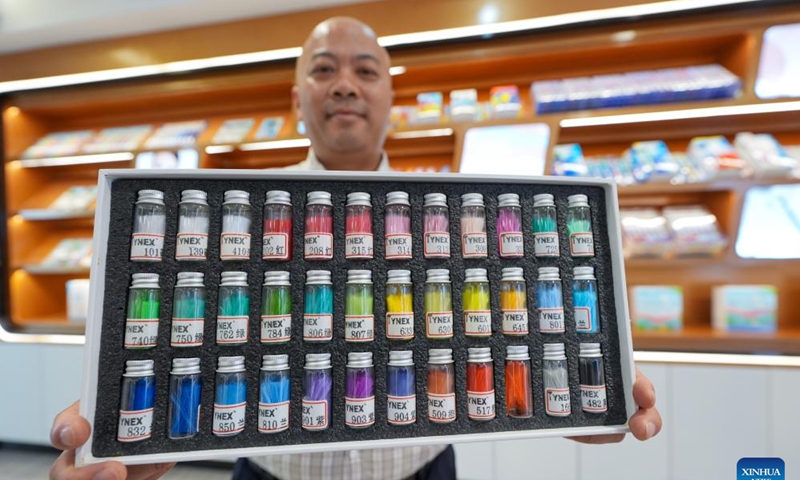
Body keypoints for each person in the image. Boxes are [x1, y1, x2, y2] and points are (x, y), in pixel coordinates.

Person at [48, 17, 662, 480]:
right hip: (268, 473)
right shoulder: (244, 220)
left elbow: (516, 317)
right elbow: (189, 332)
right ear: (296, 100)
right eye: (323, 69)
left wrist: (574, 403)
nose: (344, 85)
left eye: (366, 70)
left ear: (391, 97)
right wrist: (143, 433)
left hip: (422, 469)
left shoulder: (448, 217)